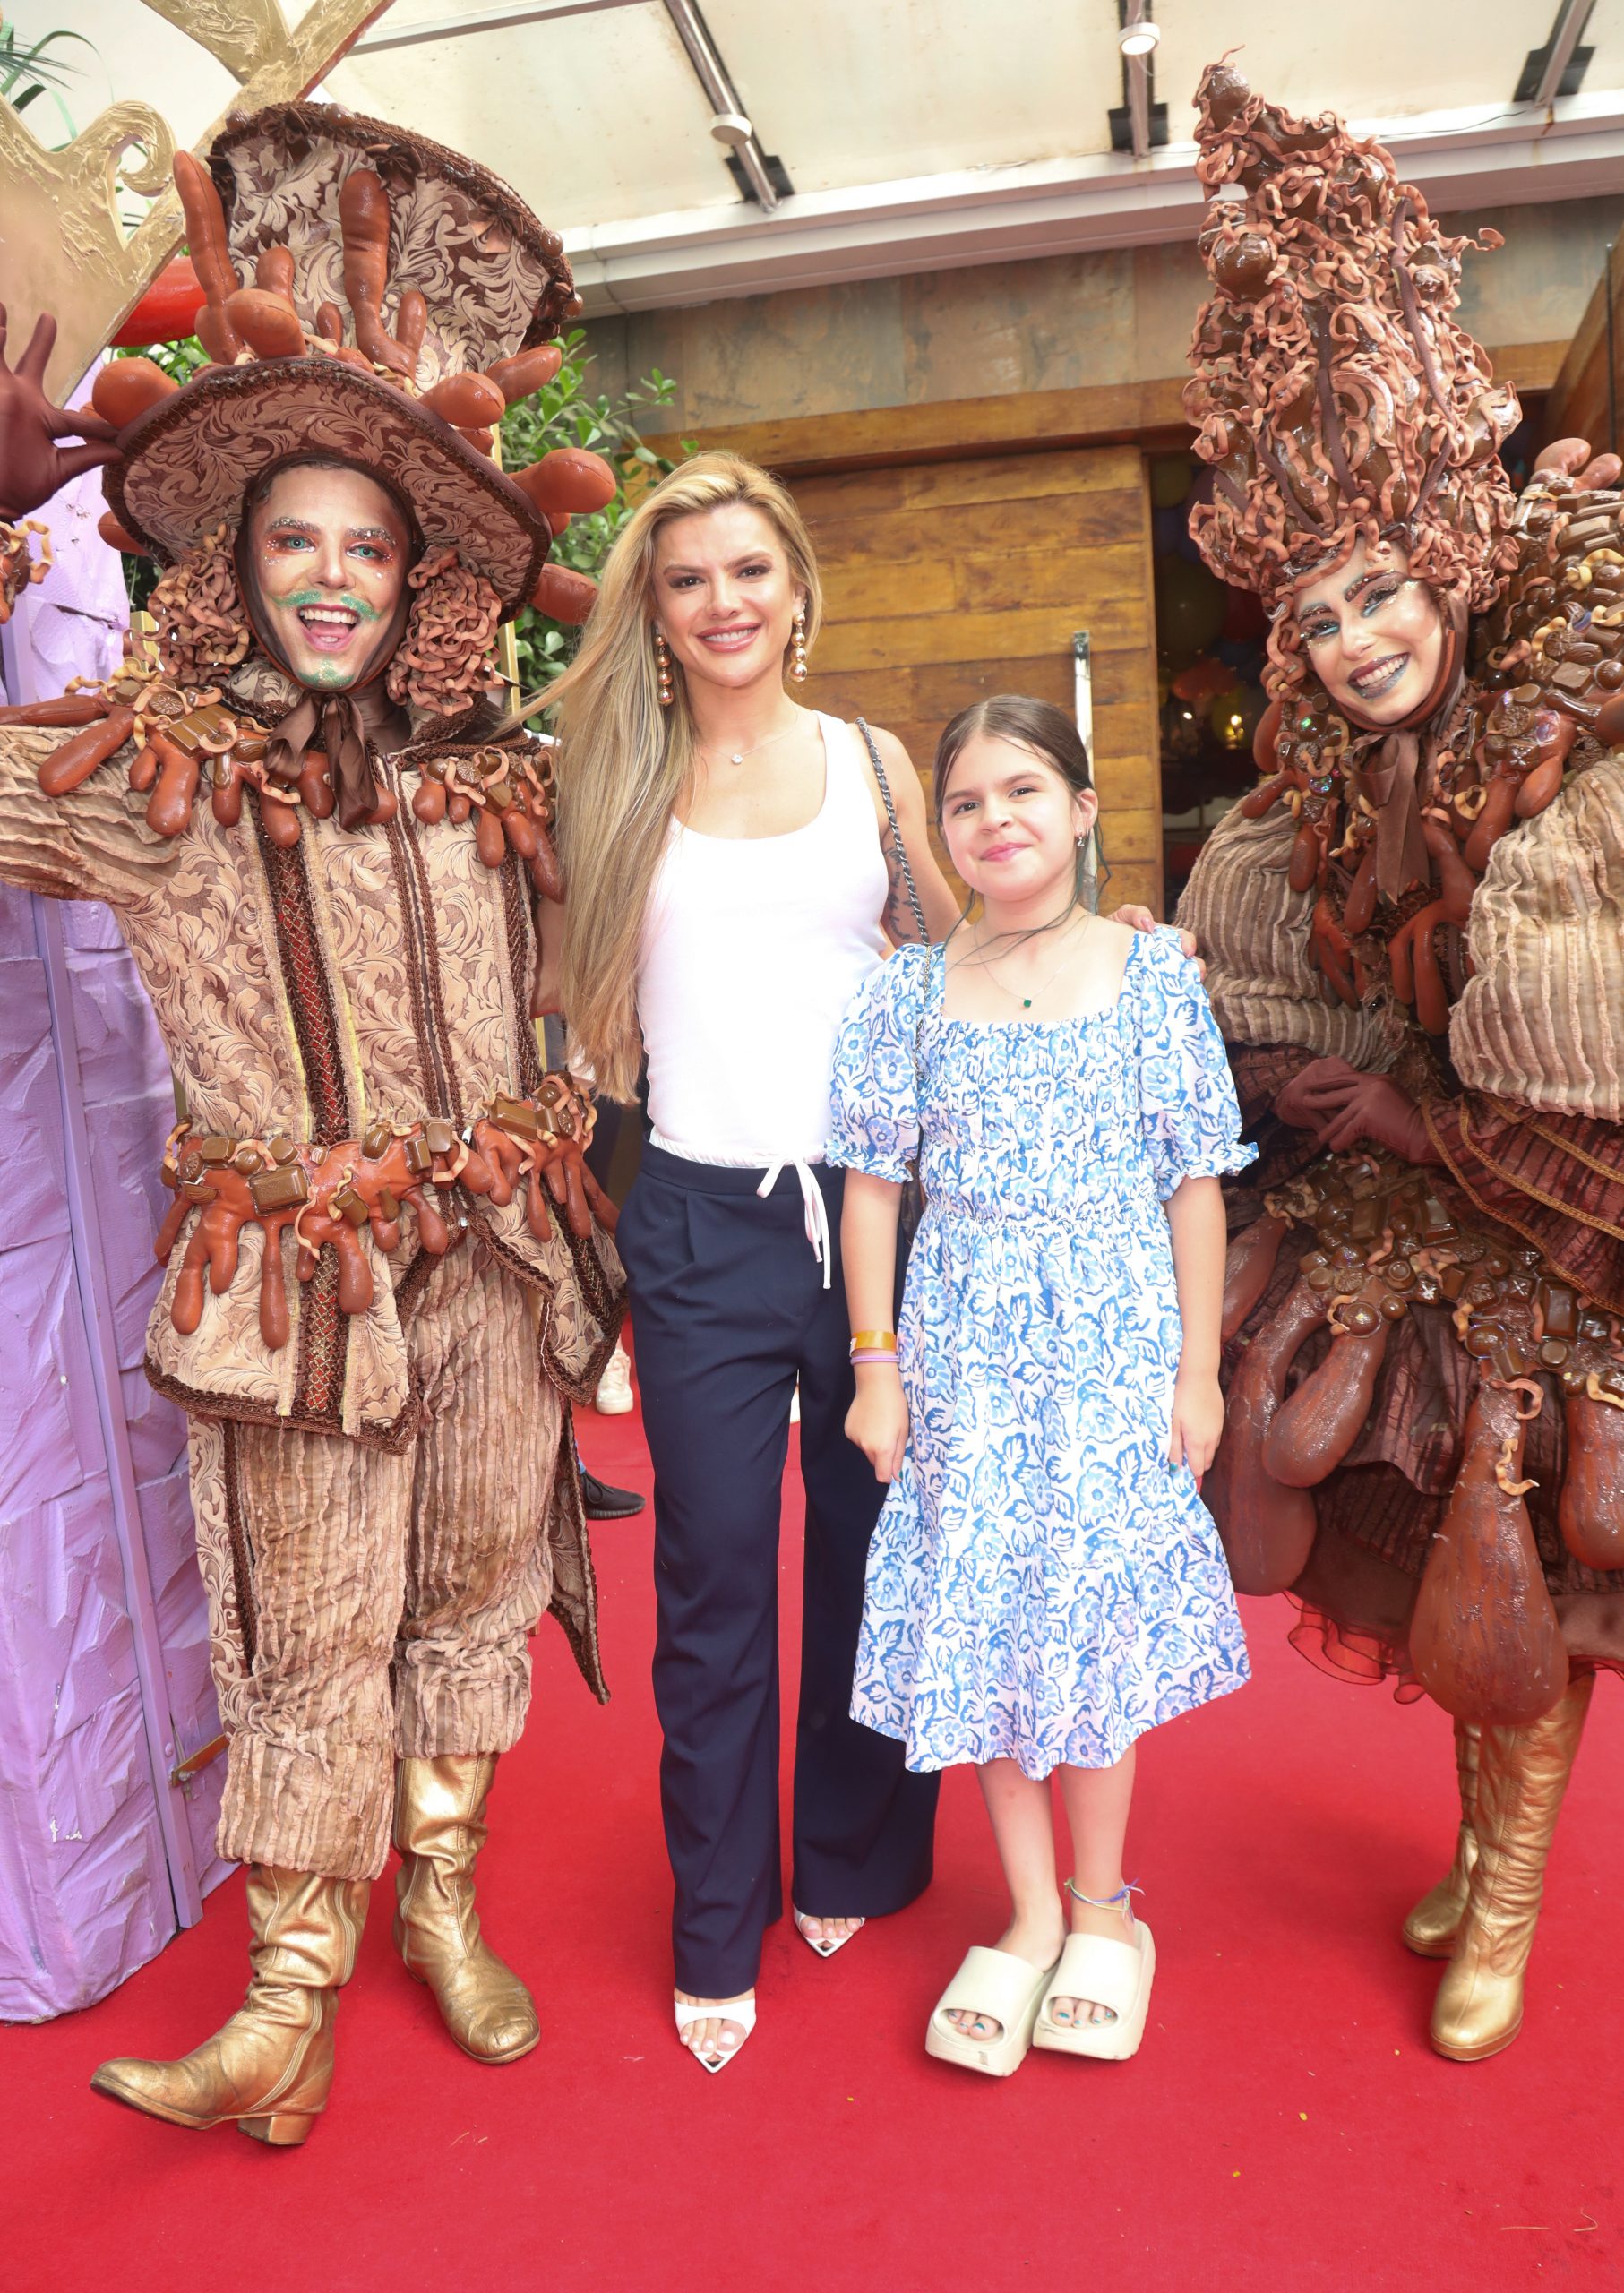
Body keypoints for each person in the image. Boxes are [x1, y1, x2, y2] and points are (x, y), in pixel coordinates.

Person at [0, 104, 623, 2142]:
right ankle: (291, 1990)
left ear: (419, 567)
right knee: (304, 1636)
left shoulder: (496, 773)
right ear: (241, 563)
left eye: (371, 540)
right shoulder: (147, 768)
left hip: (504, 1273)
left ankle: (439, 1893)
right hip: (296, 1295)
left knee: (464, 1606)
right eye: (296, 540)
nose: (334, 575)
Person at [553, 455, 1190, 2068]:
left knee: (874, 1553)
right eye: (689, 577)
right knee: (707, 1584)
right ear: (657, 604)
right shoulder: (614, 772)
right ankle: (715, 1928)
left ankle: (854, 1855)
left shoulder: (868, 760)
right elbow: (576, 993)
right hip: (697, 1213)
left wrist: (1123, 944)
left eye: (748, 570)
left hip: (869, 1219)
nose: (723, 603)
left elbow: (956, 929)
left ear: (795, 586)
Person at [1174, 59, 1624, 2062]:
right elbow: (1291, 1006)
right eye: (1321, 609)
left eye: (1381, 591)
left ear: (1448, 562)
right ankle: (1471, 1845)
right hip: (1402, 1240)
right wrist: (1310, 1073)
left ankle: (1511, 1891)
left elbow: (1572, 1027)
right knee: (1442, 1558)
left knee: (1528, 1543)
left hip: (1564, 1240)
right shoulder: (1304, 815)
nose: (1359, 635)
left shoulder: (1579, 755)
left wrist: (1426, 1100)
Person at [829, 696, 1252, 2074]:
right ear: (941, 834)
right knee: (984, 1628)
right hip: (960, 1346)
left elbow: (1195, 1187)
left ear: (1079, 812)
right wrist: (874, 1372)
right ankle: (1018, 1919)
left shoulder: (1151, 978)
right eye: (962, 802)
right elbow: (872, 1194)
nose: (992, 819)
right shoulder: (903, 991)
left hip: (1114, 1345)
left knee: (1090, 1632)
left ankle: (1101, 1912)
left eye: (1022, 791)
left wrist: (1196, 1371)